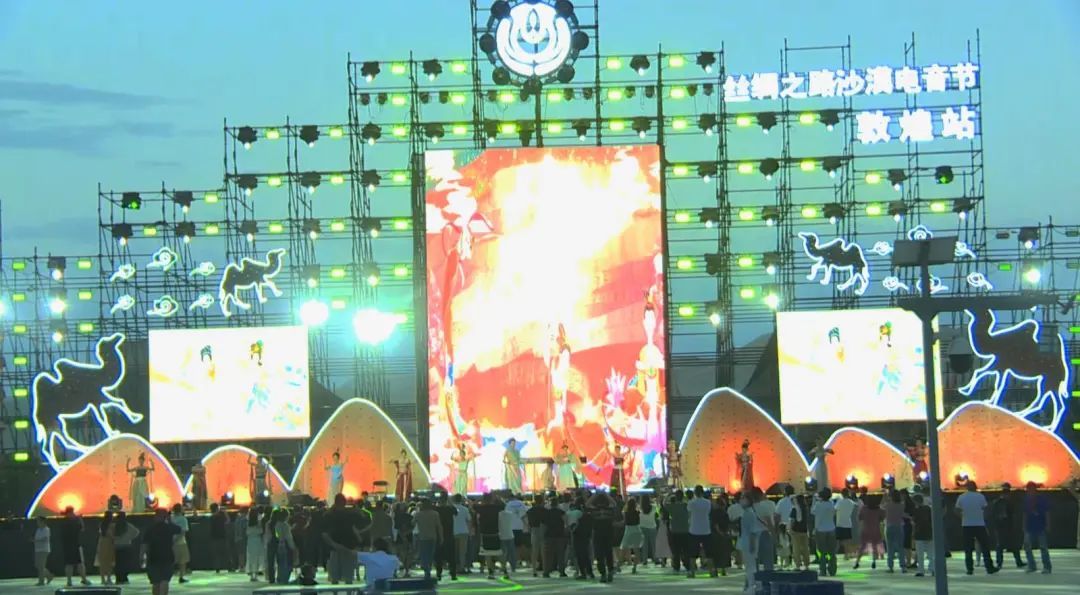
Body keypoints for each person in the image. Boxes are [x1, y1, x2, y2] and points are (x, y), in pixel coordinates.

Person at [955, 481, 999, 575]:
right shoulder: (980, 496)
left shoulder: (962, 497)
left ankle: (969, 568)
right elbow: (985, 508)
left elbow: (957, 509)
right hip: (979, 524)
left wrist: (963, 517)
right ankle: (989, 567)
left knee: (968, 548)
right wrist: (982, 517)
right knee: (985, 547)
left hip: (966, 525)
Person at [322, 494, 362, 584]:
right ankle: (348, 590)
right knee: (348, 576)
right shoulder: (350, 514)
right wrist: (358, 541)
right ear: (344, 502)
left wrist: (333, 544)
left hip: (335, 548)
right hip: (348, 547)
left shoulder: (328, 514)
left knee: (335, 576)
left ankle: (336, 590)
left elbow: (324, 533)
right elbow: (355, 528)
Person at [144, 508, 182, 595]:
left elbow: (145, 544)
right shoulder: (169, 527)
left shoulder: (150, 529)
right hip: (168, 556)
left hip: (153, 558)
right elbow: (179, 530)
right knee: (165, 580)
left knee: (155, 582)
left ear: (155, 516)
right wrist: (169, 521)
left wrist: (142, 556)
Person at [989, 482, 1025, 569]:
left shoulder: (999, 502)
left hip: (1004, 526)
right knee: (1009, 545)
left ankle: (1001, 563)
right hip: (1006, 526)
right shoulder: (1007, 502)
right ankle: (1017, 561)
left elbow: (994, 514)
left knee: (1003, 545)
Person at [737, 491, 765, 593]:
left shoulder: (749, 513)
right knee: (750, 565)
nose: (741, 500)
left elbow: (753, 531)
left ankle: (752, 586)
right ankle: (753, 585)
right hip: (747, 542)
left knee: (750, 566)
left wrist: (752, 545)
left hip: (748, 543)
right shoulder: (747, 512)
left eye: (743, 498)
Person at [1022, 481, 1052, 574]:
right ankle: (1032, 565)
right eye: (1028, 489)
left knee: (1043, 547)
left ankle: (1047, 567)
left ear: (1035, 489)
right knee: (1027, 546)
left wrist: (1048, 524)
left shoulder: (1042, 499)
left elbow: (1047, 512)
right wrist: (1024, 526)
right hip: (1029, 526)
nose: (1030, 491)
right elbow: (1025, 513)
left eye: (1031, 489)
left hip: (1040, 526)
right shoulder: (1026, 500)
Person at [473, 492, 505, 579]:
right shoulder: (496, 508)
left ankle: (491, 572)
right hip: (495, 532)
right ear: (492, 499)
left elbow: (473, 505)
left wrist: (479, 499)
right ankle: (505, 570)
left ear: (483, 500)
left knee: (487, 553)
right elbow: (503, 505)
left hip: (485, 533)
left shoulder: (481, 508)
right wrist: (497, 497)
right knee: (499, 552)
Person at [588, 491, 617, 583]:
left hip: (598, 533)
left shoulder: (594, 509)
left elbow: (587, 504)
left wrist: (595, 495)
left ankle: (603, 574)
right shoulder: (609, 509)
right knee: (608, 553)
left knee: (599, 554)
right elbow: (614, 503)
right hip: (608, 533)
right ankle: (610, 571)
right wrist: (606, 495)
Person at [687, 485, 713, 578]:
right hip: (706, 529)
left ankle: (692, 572)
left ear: (695, 492)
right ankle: (711, 571)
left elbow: (689, 514)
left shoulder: (691, 503)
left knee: (692, 553)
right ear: (702, 492)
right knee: (709, 553)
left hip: (694, 529)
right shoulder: (708, 502)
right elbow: (708, 513)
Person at [60, 507, 90, 587]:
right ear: (70, 513)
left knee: (70, 564)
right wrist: (80, 519)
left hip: (67, 546)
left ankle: (70, 581)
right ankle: (83, 579)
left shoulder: (64, 522)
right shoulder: (73, 522)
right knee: (79, 564)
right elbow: (82, 528)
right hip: (75, 545)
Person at [811, 489, 838, 577]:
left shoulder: (818, 505)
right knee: (832, 551)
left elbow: (812, 512)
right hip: (831, 529)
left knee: (821, 552)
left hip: (820, 530)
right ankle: (832, 569)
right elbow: (834, 513)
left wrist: (814, 500)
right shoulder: (831, 504)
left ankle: (823, 570)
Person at [414, 499, 443, 580]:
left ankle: (426, 570)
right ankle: (429, 568)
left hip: (422, 537)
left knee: (424, 554)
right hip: (433, 537)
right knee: (431, 554)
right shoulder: (435, 514)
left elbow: (412, 523)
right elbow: (439, 526)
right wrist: (441, 537)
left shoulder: (418, 514)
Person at [855, 496, 884, 569]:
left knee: (862, 547)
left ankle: (857, 562)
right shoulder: (879, 510)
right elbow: (882, 518)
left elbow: (859, 518)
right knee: (874, 546)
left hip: (865, 530)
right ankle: (874, 561)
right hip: (875, 530)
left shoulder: (864, 509)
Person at [569, 496, 595, 579]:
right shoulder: (589, 513)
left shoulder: (576, 512)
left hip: (578, 535)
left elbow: (574, 525)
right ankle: (590, 572)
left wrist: (573, 529)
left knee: (579, 555)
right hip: (586, 535)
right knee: (586, 554)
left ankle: (583, 573)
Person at [542, 496, 568, 578]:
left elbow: (544, 525)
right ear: (557, 504)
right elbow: (566, 523)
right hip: (560, 535)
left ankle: (546, 572)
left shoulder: (546, 513)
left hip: (549, 535)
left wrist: (543, 534)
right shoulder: (562, 512)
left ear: (550, 504)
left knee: (548, 555)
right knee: (560, 554)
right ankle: (562, 571)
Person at [751, 487, 776, 572]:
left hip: (752, 536)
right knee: (768, 559)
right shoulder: (764, 507)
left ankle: (754, 577)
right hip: (764, 534)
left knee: (754, 560)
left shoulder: (748, 509)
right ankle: (768, 577)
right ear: (761, 495)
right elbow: (769, 523)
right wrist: (774, 536)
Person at [665, 489, 690, 574]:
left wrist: (668, 495)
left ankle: (676, 566)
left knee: (676, 550)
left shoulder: (672, 506)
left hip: (675, 531)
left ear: (675, 497)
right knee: (686, 550)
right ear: (682, 497)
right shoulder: (686, 506)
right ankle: (687, 565)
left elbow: (664, 503)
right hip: (685, 530)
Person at [272, 508, 299, 584]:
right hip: (286, 545)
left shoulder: (276, 524)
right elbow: (288, 537)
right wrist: (293, 547)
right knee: (287, 563)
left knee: (280, 563)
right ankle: (285, 578)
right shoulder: (285, 525)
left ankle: (280, 578)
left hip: (279, 545)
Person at [435, 494, 459, 580]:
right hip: (449, 534)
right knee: (451, 555)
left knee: (439, 556)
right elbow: (456, 512)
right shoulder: (450, 509)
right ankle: (453, 574)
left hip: (439, 535)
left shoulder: (436, 509)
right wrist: (450, 502)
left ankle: (439, 574)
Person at [882, 490, 906, 573]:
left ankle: (890, 567)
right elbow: (903, 514)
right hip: (899, 526)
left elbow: (881, 506)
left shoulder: (887, 505)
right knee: (900, 547)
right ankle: (903, 566)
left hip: (889, 526)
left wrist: (884, 497)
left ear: (890, 496)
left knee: (890, 547)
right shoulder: (902, 505)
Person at [617, 498, 642, 574]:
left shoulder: (625, 513)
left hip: (628, 530)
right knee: (636, 550)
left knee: (623, 549)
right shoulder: (638, 512)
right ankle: (634, 567)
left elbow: (623, 522)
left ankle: (618, 565)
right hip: (637, 530)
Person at [911, 494, 933, 577]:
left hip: (919, 533)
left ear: (915, 501)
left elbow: (914, 521)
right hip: (929, 532)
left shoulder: (916, 510)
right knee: (930, 553)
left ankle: (921, 570)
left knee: (920, 553)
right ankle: (932, 569)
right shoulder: (928, 509)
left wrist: (913, 532)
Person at [169, 504, 190, 584]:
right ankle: (181, 577)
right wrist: (176, 539)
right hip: (181, 542)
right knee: (182, 561)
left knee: (171, 560)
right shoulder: (183, 519)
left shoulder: (170, 519)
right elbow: (183, 531)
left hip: (170, 542)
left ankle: (168, 575)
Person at [527, 494, 547, 576]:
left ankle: (534, 570)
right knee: (543, 551)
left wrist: (528, 527)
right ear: (542, 501)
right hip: (543, 529)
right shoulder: (544, 510)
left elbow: (526, 519)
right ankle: (545, 570)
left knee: (534, 551)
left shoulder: (530, 510)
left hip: (534, 530)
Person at [790, 494, 811, 570]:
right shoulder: (806, 508)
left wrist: (790, 529)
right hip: (804, 530)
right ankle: (806, 564)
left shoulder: (794, 509)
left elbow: (792, 520)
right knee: (805, 548)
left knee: (796, 549)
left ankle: (798, 565)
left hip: (796, 530)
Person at [95, 510, 116, 584]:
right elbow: (111, 535)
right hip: (109, 544)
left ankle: (102, 579)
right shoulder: (112, 525)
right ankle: (108, 578)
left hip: (101, 543)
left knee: (102, 562)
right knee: (109, 562)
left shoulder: (101, 525)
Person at [835, 489, 856, 560]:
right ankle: (847, 555)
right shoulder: (851, 502)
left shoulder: (839, 502)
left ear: (842, 494)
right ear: (848, 494)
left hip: (839, 523)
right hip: (848, 523)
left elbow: (835, 510)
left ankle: (834, 555)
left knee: (838, 541)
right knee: (847, 540)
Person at [207, 503, 229, 573]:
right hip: (222, 537)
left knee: (216, 554)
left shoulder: (211, 518)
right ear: (217, 508)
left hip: (214, 537)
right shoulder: (221, 516)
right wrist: (225, 512)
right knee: (225, 552)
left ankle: (217, 568)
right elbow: (228, 521)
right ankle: (229, 567)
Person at [33, 516, 54, 586]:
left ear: (42, 521)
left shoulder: (47, 529)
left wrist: (36, 540)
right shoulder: (38, 529)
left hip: (44, 549)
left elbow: (45, 539)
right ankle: (49, 575)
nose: (37, 523)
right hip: (37, 549)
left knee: (41, 566)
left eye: (38, 521)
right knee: (37, 565)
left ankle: (41, 581)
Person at [496, 503, 516, 578]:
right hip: (510, 534)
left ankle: (503, 566)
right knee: (511, 552)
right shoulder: (510, 514)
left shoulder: (497, 515)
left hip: (501, 535)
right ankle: (513, 566)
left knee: (503, 553)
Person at [244, 508, 264, 582]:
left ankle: (252, 574)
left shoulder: (248, 523)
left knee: (251, 558)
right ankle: (255, 574)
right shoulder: (258, 522)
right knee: (257, 558)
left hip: (250, 541)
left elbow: (246, 532)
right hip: (257, 540)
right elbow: (261, 531)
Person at [639, 495, 658, 566]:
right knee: (654, 544)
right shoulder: (653, 507)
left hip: (642, 527)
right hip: (652, 527)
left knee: (644, 545)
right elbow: (656, 514)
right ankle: (656, 559)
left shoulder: (640, 508)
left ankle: (644, 560)